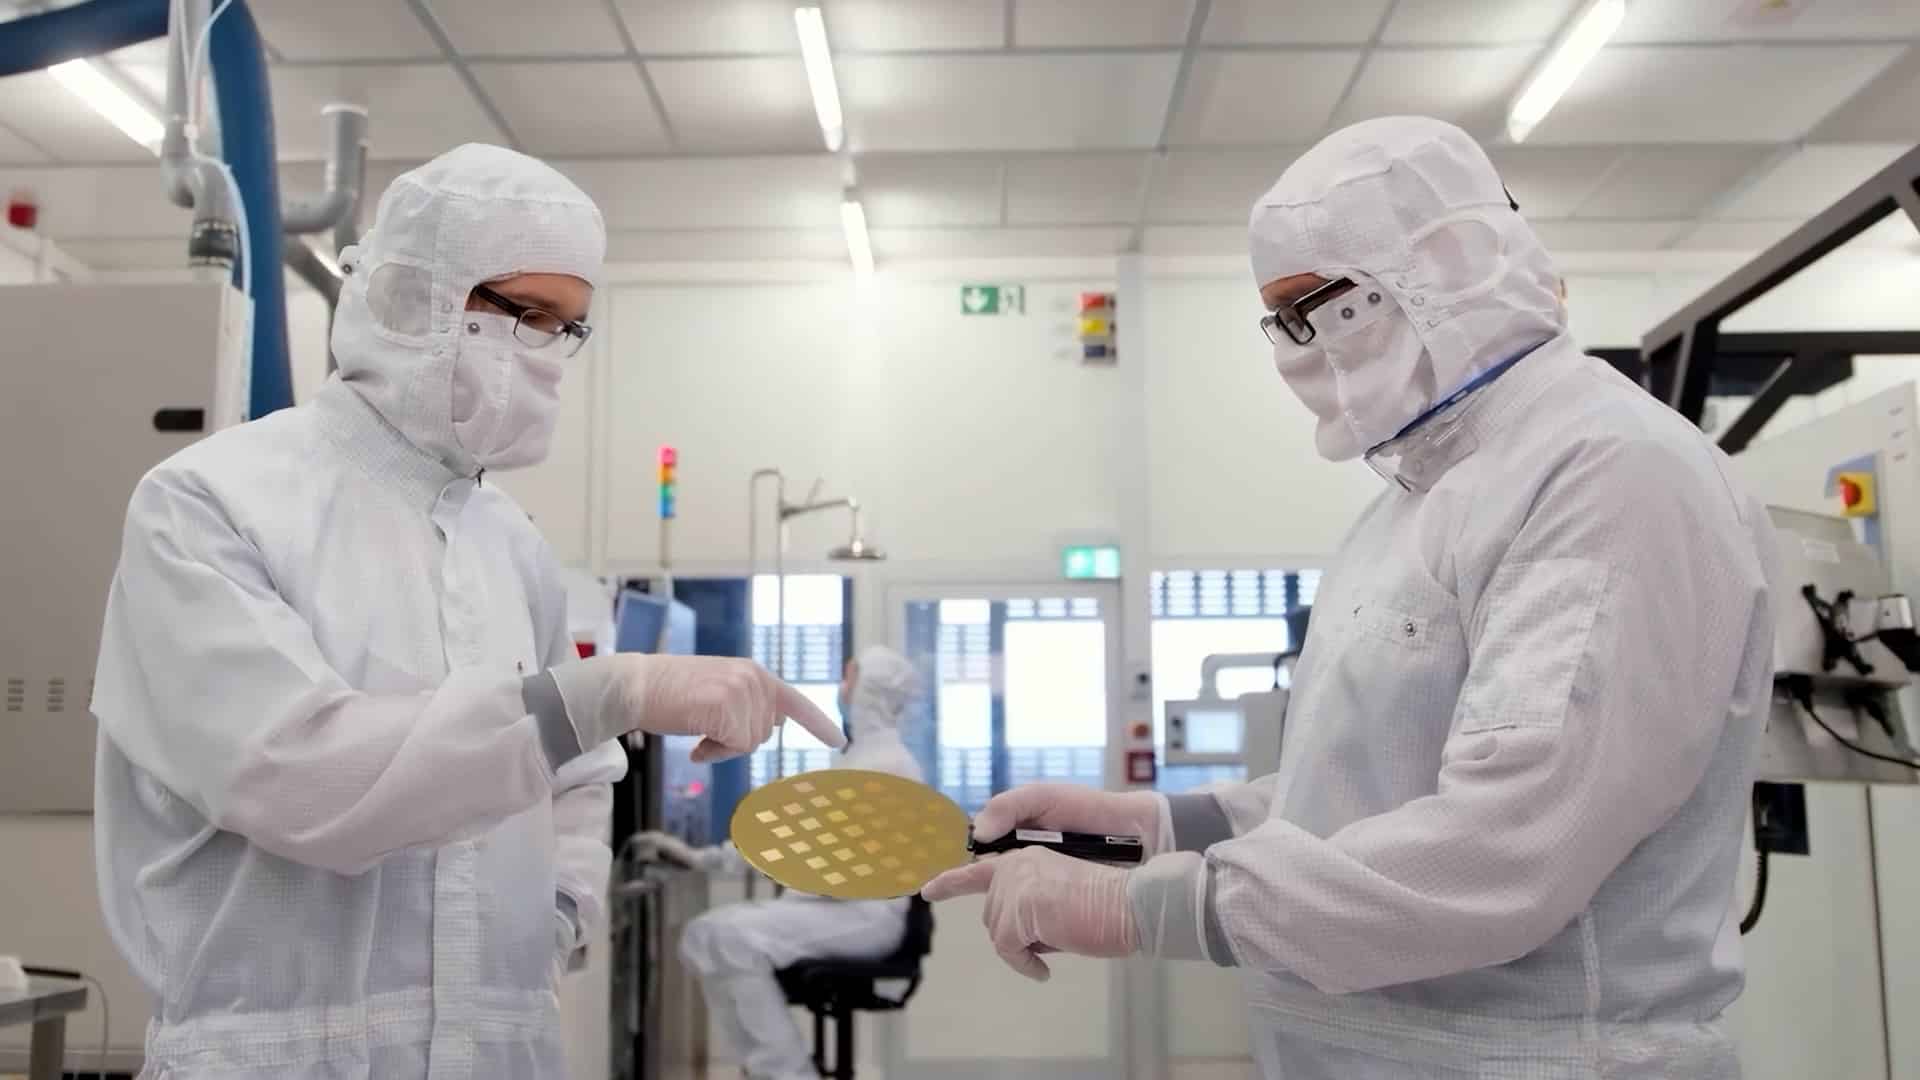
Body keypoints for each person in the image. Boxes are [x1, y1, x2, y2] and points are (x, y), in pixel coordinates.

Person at [924, 115, 1777, 1079]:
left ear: (1448, 262)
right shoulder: (1411, 504)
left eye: (1319, 308)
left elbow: (1509, 844)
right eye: (1280, 321)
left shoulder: (1608, 474)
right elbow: (1365, 786)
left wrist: (1149, 905)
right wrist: (1166, 826)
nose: (1301, 351)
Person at [91, 143, 842, 1079]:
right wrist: (607, 691)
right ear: (417, 300)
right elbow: (301, 777)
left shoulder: (508, 544)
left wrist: (561, 910)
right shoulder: (210, 504)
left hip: (500, 1046)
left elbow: (575, 779)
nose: (550, 355)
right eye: (528, 315)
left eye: (570, 329)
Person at [638, 645, 925, 1080]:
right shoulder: (858, 757)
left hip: (868, 916)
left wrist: (711, 859)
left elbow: (807, 846)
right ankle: (763, 1067)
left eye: (850, 677)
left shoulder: (886, 764)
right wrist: (709, 859)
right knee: (702, 936)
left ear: (869, 690)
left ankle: (789, 1073)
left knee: (731, 938)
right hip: (837, 907)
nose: (841, 687)